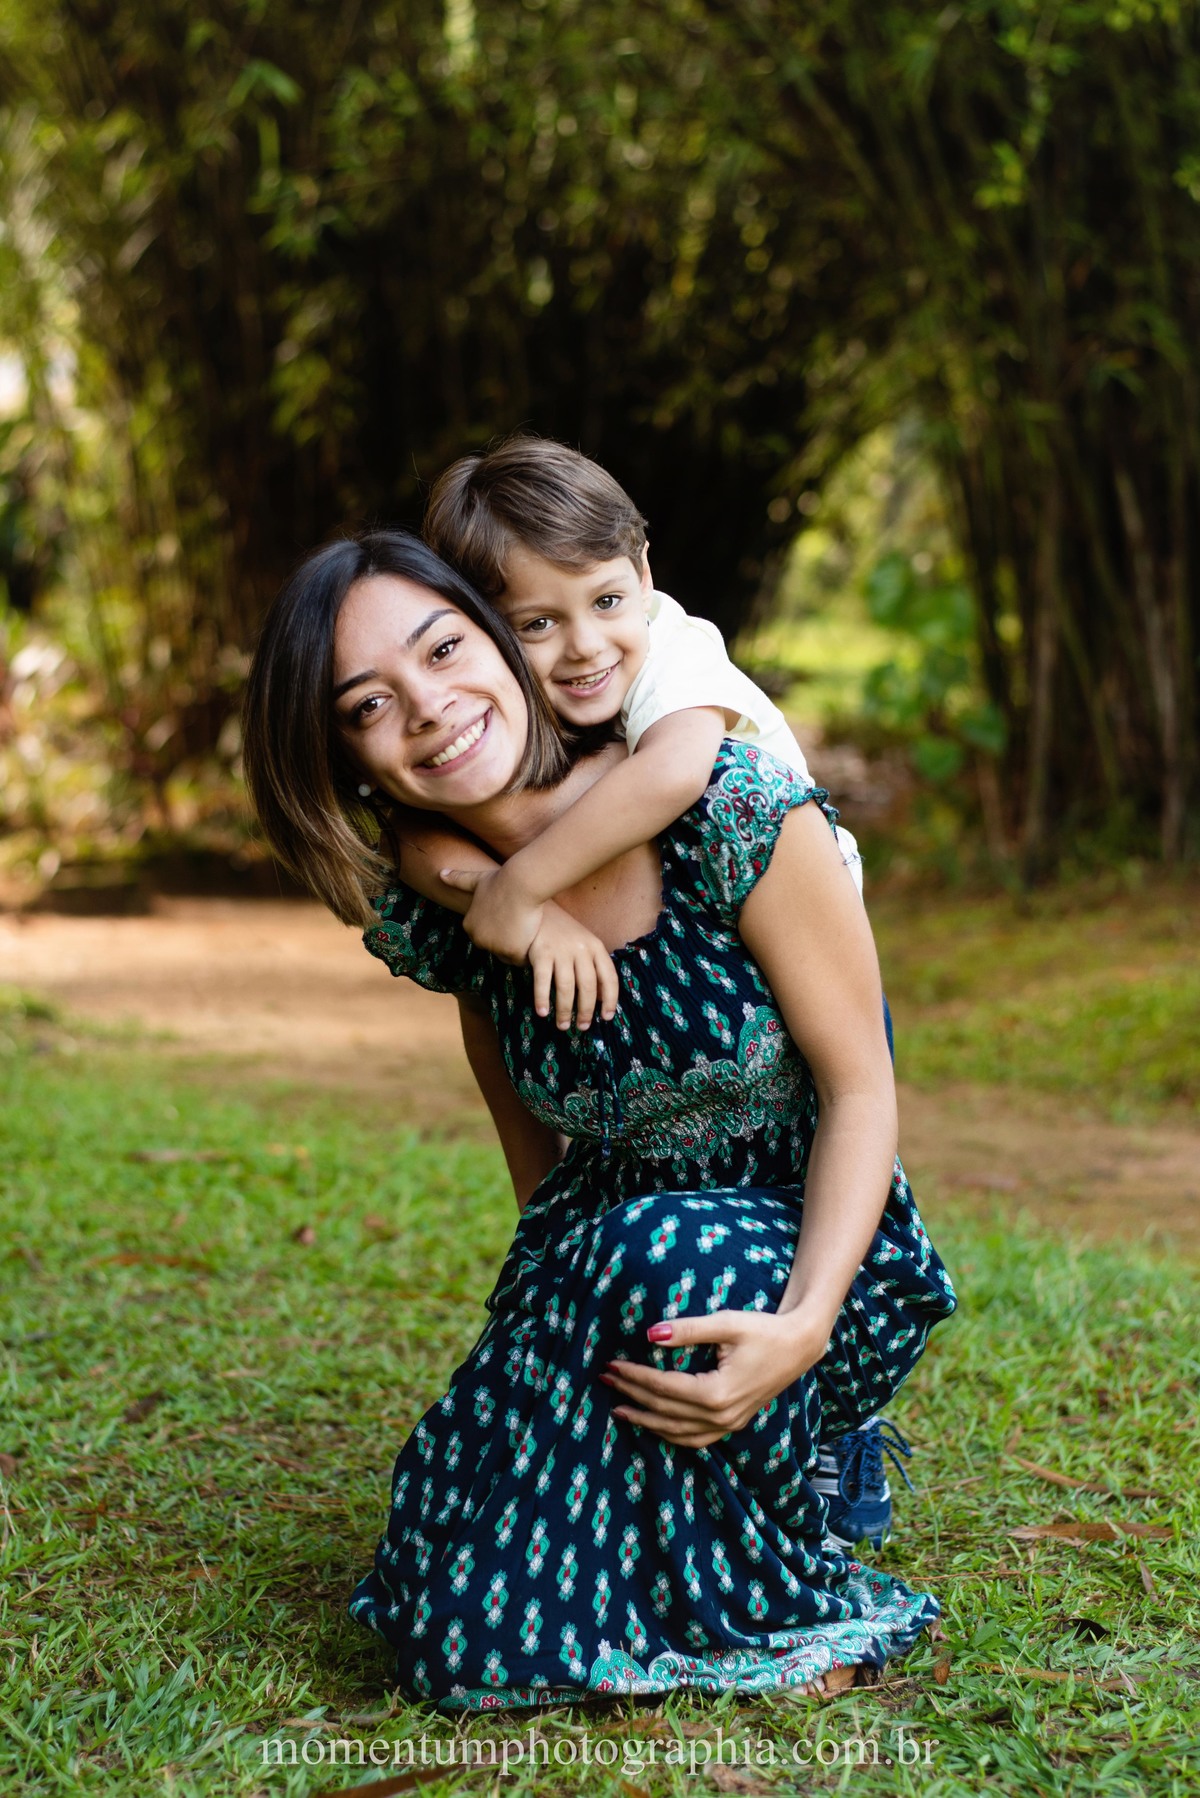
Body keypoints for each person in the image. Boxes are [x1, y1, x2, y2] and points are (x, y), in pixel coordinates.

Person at [241, 530, 957, 1711]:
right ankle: (698, 1505)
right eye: (372, 703)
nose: (429, 708)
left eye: (445, 649)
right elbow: (543, 1178)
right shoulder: (453, 907)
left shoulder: (731, 806)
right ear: (351, 757)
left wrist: (807, 1326)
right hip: (618, 1275)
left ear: (505, 640)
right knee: (451, 1600)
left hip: (814, 1241)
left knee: (652, 1254)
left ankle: (813, 1470)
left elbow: (862, 1088)